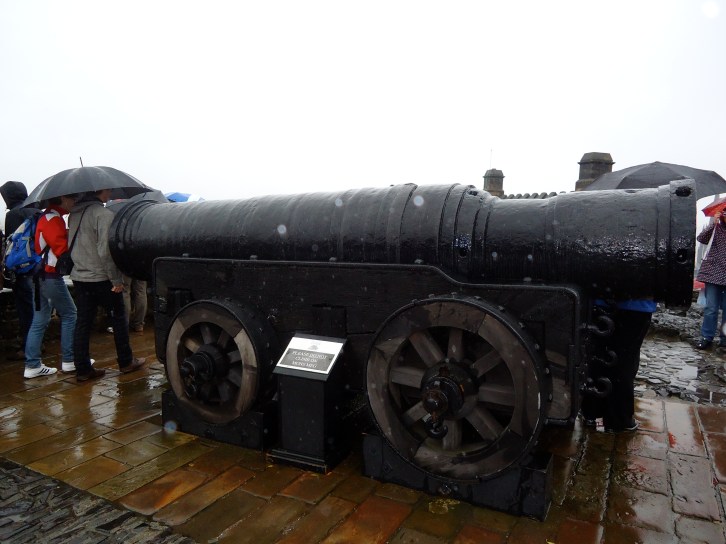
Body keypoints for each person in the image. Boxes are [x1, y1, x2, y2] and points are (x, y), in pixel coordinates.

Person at [68, 189, 146, 382]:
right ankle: (126, 361)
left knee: (83, 323)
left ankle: (83, 369)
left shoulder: (74, 215)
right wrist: (116, 280)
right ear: (100, 191)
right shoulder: (103, 215)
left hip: (80, 276)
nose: (109, 193)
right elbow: (105, 251)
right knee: (119, 319)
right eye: (107, 190)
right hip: (101, 278)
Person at [23, 195, 79, 378]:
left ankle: (32, 365)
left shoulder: (46, 217)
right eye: (73, 200)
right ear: (63, 199)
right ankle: (70, 360)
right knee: (70, 314)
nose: (74, 203)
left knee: (39, 320)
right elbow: (60, 249)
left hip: (39, 276)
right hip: (50, 276)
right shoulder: (53, 219)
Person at [582, 299, 655, 432]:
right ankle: (616, 420)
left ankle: (593, 415)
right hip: (636, 305)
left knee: (598, 356)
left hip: (600, 301)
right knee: (624, 361)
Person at [1, 181, 40, 359]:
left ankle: (28, 348)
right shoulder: (35, 210)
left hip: (22, 270)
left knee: (25, 310)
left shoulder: (13, 214)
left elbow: (11, 246)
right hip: (39, 267)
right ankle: (37, 344)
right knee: (38, 309)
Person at [695, 210, 726, 350]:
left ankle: (724, 338)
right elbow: (701, 238)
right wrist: (713, 223)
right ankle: (706, 337)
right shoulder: (716, 229)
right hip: (713, 273)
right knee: (711, 308)